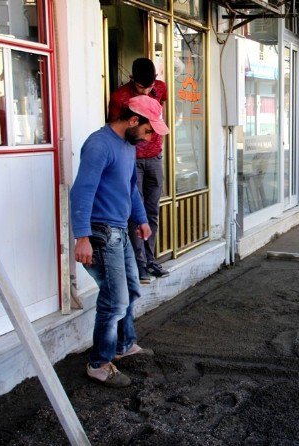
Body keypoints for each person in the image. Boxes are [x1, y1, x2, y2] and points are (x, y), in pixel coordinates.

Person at [70, 95, 170, 387]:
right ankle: (99, 364)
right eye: (149, 130)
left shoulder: (128, 146)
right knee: (115, 300)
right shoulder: (100, 145)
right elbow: (82, 191)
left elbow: (130, 188)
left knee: (132, 289)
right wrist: (82, 238)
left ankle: (125, 345)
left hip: (119, 230)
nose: (149, 138)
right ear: (133, 120)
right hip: (100, 232)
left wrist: (140, 220)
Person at [108, 58, 169, 284]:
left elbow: (160, 112)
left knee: (152, 210)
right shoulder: (120, 97)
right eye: (142, 87)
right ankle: (139, 264)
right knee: (136, 211)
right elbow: (116, 129)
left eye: (150, 86)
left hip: (155, 157)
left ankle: (150, 258)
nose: (147, 90)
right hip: (132, 158)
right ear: (133, 80)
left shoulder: (160, 88)